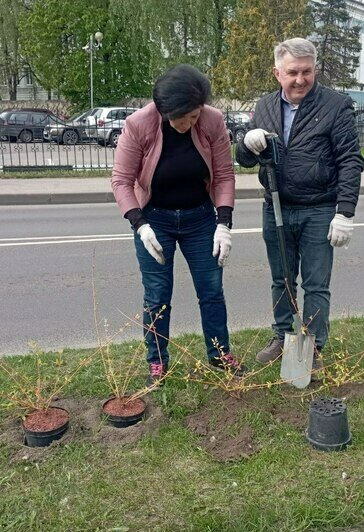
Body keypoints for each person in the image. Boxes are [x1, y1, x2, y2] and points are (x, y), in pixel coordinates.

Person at [235, 37, 364, 377]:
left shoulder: (336, 106)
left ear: (315, 69)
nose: (300, 79)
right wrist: (246, 145)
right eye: (292, 72)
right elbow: (246, 159)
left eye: (307, 71)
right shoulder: (264, 107)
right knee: (282, 280)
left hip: (319, 208)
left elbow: (350, 160)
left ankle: (314, 344)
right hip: (275, 204)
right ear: (277, 72)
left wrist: (345, 212)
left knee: (316, 283)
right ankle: (282, 336)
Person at [111, 64, 248, 385]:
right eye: (182, 117)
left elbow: (225, 175)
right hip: (155, 219)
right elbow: (121, 180)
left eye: (195, 115)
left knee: (212, 290)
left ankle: (219, 353)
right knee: (157, 295)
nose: (189, 123)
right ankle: (157, 361)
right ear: (164, 110)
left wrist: (223, 223)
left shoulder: (212, 121)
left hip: (200, 219)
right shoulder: (138, 125)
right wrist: (139, 224)